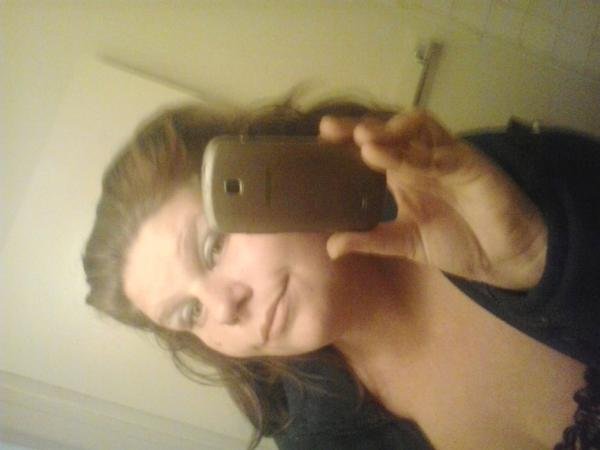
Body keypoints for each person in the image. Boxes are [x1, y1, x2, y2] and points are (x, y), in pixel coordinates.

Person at [83, 98, 600, 450]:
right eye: (189, 312)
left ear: (278, 173)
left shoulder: (487, 188)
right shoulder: (320, 438)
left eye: (214, 247)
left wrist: (542, 258)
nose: (224, 309)